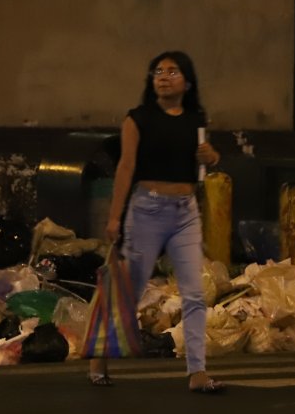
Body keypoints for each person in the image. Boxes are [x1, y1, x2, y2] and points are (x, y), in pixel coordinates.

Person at [89, 51, 224, 393]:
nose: (163, 77)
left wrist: (213, 156)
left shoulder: (196, 118)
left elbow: (205, 159)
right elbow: (126, 167)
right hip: (146, 211)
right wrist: (116, 216)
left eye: (172, 71)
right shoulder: (138, 119)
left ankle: (197, 372)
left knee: (194, 293)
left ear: (188, 81)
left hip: (186, 212)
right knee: (129, 292)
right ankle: (100, 356)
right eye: (158, 72)